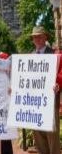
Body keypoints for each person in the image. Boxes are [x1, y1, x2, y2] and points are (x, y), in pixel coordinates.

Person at [30, 26, 61, 154]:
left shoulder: (55, 54)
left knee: (52, 136)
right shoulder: (30, 56)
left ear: (45, 37)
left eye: (39, 36)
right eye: (34, 37)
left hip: (50, 100)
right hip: (34, 102)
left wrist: (58, 84)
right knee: (38, 136)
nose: (37, 39)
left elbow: (60, 73)